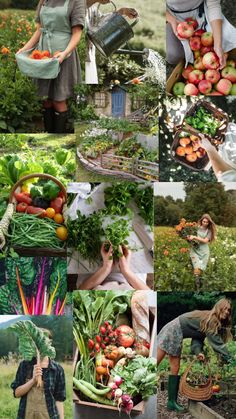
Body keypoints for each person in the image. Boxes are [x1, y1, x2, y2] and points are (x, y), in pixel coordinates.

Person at [17, 0, 86, 133]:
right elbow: (40, 30)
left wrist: (64, 53)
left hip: (62, 54)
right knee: (46, 99)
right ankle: (49, 134)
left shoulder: (76, 1)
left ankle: (59, 138)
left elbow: (77, 33)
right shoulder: (44, 0)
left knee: (58, 100)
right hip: (44, 54)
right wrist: (24, 49)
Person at [157, 298, 233, 412]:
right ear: (218, 308)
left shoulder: (207, 319)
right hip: (173, 330)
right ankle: (170, 401)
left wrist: (199, 352)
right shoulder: (212, 320)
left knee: (174, 368)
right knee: (156, 362)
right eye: (225, 308)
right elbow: (217, 344)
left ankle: (171, 402)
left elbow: (197, 339)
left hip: (175, 331)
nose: (227, 312)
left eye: (229, 310)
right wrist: (231, 359)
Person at [11, 329, 66, 419]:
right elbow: (16, 393)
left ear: (50, 343)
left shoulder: (57, 369)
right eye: (38, 341)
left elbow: (59, 400)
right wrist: (32, 381)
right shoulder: (25, 365)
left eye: (44, 341)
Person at [166, 0, 236, 67]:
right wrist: (172, 21)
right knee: (173, 55)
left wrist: (218, 45)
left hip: (201, 12)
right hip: (173, 16)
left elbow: (213, 5)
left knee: (227, 38)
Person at [85, 0, 138, 84]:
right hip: (78, 59)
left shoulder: (92, 9)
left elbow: (102, 22)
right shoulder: (75, 5)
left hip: (89, 58)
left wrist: (122, 11)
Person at [78, 243, 150, 290]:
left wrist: (106, 268)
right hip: (132, 281)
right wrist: (126, 270)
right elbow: (147, 295)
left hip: (93, 280)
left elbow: (81, 290)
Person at [187, 213, 216, 289]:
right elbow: (191, 236)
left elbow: (205, 241)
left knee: (201, 269)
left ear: (209, 222)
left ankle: (199, 284)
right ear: (201, 221)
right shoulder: (196, 228)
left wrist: (195, 237)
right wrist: (189, 237)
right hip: (194, 249)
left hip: (204, 251)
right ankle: (196, 285)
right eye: (204, 221)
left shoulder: (209, 231)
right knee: (196, 266)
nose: (205, 223)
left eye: (207, 222)